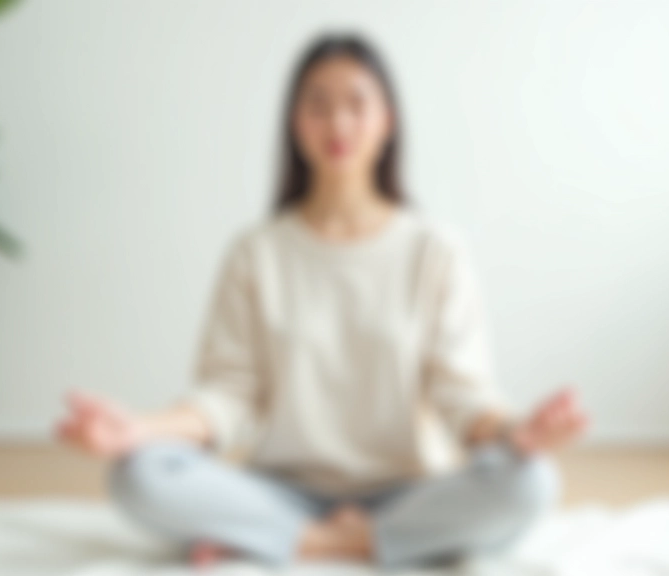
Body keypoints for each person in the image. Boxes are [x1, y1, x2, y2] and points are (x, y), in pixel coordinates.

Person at [55, 32, 589, 569]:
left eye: (357, 104)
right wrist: (137, 429)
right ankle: (370, 540)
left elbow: (462, 395)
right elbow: (227, 396)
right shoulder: (255, 251)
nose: (338, 124)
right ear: (294, 122)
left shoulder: (435, 250)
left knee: (531, 483)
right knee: (138, 475)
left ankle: (290, 540)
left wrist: (517, 432)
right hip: (280, 490)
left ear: (388, 121)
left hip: (410, 490)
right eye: (318, 105)